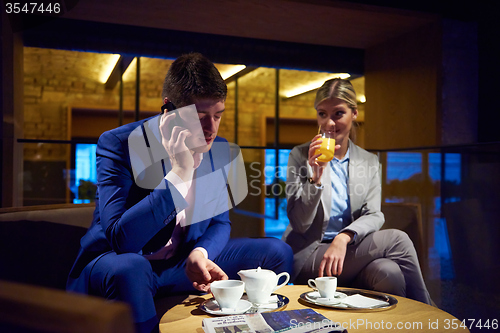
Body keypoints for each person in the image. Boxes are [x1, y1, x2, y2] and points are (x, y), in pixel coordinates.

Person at [67, 53, 293, 333]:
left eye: (218, 116)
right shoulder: (119, 144)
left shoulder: (217, 150)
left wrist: (201, 252)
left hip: (180, 264)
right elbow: (121, 240)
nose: (211, 129)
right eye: (200, 118)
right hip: (120, 262)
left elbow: (221, 222)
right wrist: (180, 172)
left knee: (275, 252)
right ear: (169, 109)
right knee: (131, 268)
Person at [283, 78, 431, 304]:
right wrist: (316, 177)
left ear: (354, 114)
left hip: (351, 250)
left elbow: (374, 214)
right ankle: (427, 315)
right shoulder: (300, 155)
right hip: (311, 255)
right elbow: (300, 224)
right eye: (322, 114)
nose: (329, 123)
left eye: (338, 114)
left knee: (389, 272)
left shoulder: (369, 161)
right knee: (398, 239)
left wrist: (343, 237)